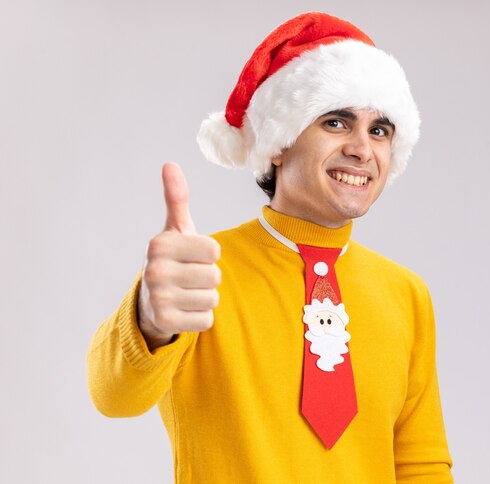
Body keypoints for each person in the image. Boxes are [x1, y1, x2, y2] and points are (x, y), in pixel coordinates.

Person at [87, 11, 454, 483]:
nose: (363, 149)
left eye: (379, 130)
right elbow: (112, 395)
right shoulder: (199, 272)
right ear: (278, 143)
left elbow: (420, 465)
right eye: (337, 122)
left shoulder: (407, 294)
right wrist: (149, 320)